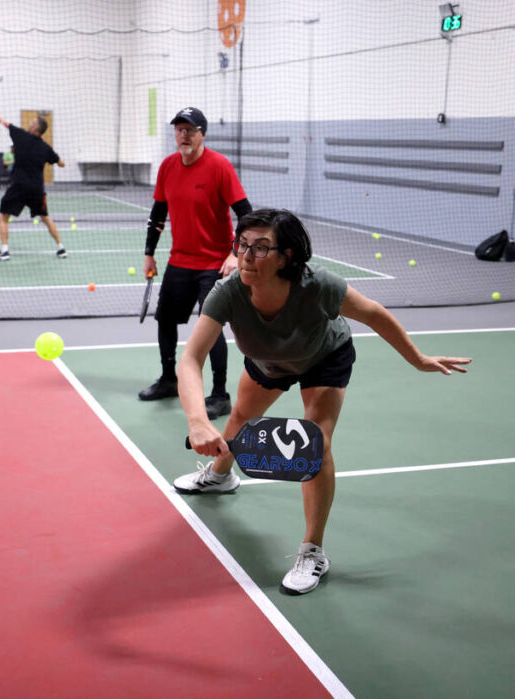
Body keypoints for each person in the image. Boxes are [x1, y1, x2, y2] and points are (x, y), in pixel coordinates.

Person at [174, 208, 472, 595]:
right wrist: (197, 420)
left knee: (315, 445)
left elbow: (373, 313)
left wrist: (417, 359)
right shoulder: (229, 292)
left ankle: (312, 550)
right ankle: (219, 477)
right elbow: (191, 358)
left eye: (261, 247)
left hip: (324, 357)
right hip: (268, 360)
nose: (246, 256)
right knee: (241, 417)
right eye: (242, 245)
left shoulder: (318, 286)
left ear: (286, 257)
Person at [139, 107, 252, 419]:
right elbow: (158, 214)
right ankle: (168, 379)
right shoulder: (167, 166)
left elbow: (246, 214)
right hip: (179, 260)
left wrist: (235, 254)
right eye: (179, 129)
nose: (183, 135)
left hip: (213, 263)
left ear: (202, 134)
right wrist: (149, 253)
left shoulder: (219, 166)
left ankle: (220, 395)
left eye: (190, 130)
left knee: (210, 327)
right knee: (165, 319)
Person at [0, 114, 65, 261]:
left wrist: (1, 119)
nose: (30, 124)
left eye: (32, 122)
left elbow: (8, 124)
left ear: (35, 128)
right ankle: (61, 248)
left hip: (19, 186)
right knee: (45, 218)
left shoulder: (21, 136)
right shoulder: (46, 148)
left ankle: (5, 251)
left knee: (4, 216)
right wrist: (57, 161)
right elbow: (61, 163)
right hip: (36, 189)